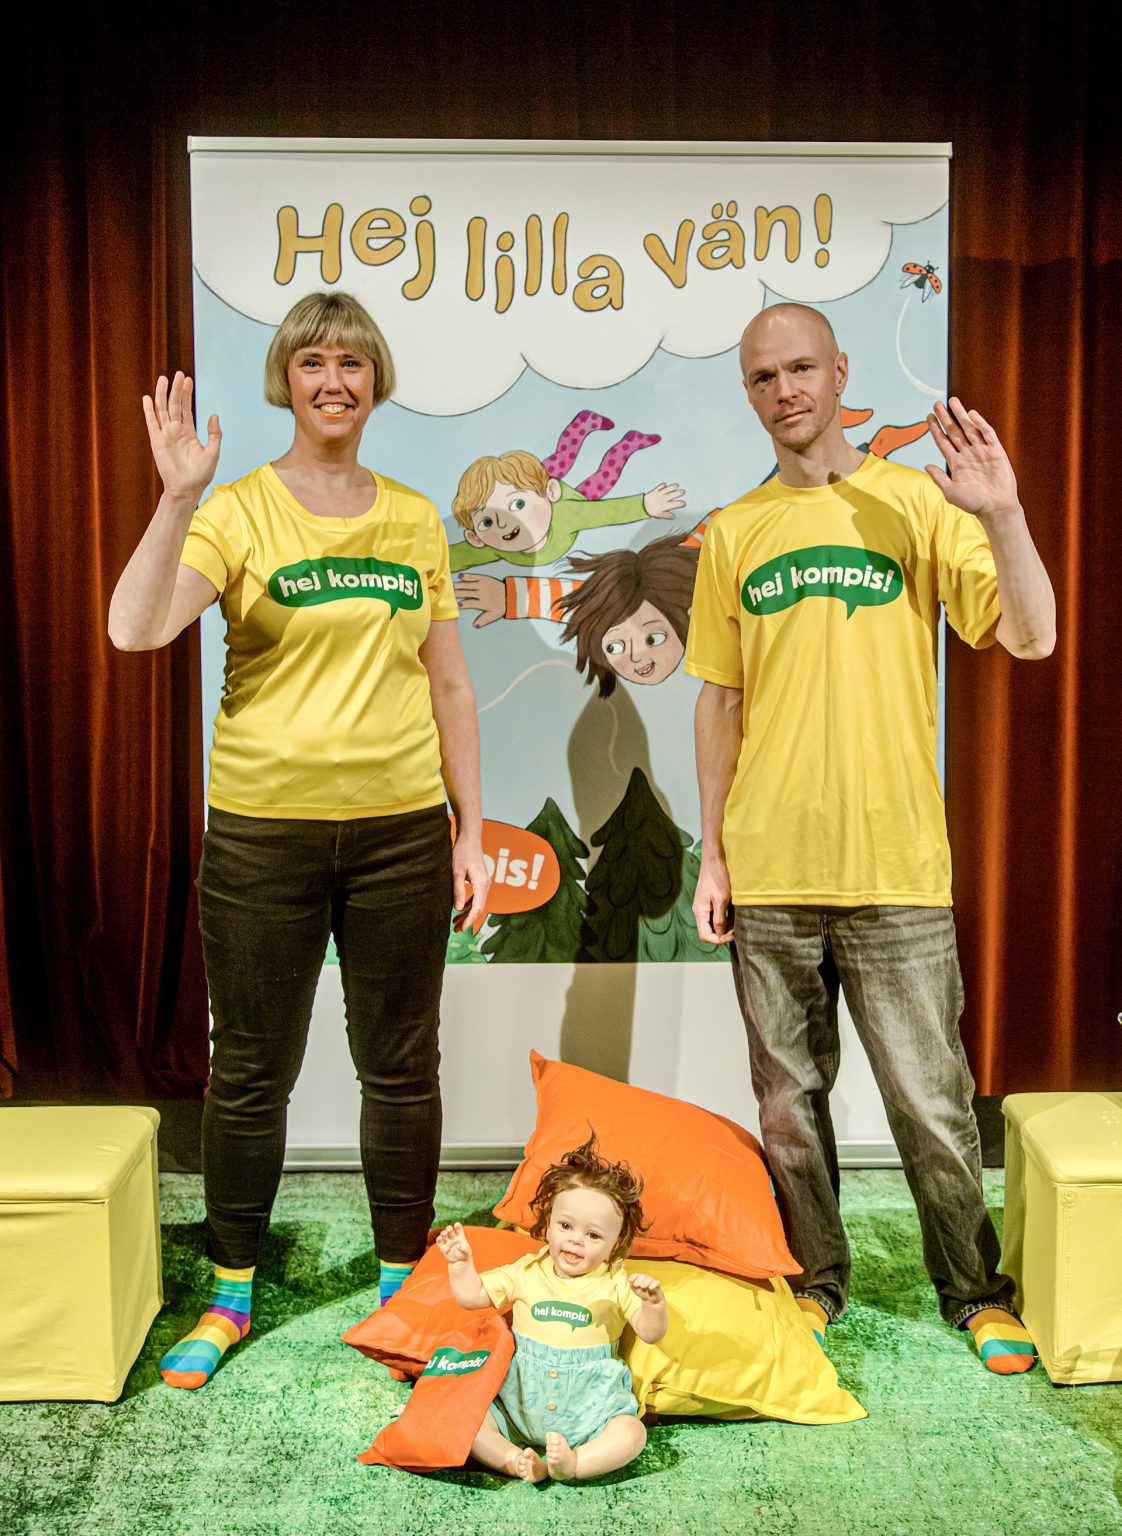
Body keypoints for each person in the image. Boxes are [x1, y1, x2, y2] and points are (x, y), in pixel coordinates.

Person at [108, 291, 489, 1389]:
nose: (334, 381)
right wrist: (178, 498)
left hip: (400, 835)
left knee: (401, 1069)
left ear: (376, 382)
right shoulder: (234, 511)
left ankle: (402, 1286)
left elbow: (449, 684)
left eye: (353, 363)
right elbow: (136, 628)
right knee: (250, 1073)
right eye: (314, 362)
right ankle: (231, 1291)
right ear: (286, 378)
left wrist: (469, 829)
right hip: (262, 836)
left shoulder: (414, 517)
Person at [686, 302, 1055, 1373]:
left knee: (932, 1106)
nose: (785, 390)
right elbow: (719, 701)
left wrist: (1005, 513)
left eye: (802, 367)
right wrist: (714, 853)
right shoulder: (735, 531)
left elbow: (1032, 635)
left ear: (840, 371)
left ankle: (974, 1292)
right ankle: (815, 1279)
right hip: (771, 869)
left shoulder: (918, 503)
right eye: (764, 377)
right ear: (749, 393)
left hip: (897, 868)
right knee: (787, 1107)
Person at [436, 1135, 668, 1481]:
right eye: (566, 1226)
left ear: (616, 1244)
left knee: (632, 1434)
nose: (575, 1239)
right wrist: (460, 1265)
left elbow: (650, 1333)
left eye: (593, 1235)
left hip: (591, 1407)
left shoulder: (616, 1282)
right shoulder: (526, 1271)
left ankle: (576, 1463)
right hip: (518, 1402)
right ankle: (515, 1461)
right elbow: (473, 1297)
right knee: (465, 1417)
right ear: (547, 1225)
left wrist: (653, 1304)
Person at [454, 533, 699, 692]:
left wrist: (511, 597)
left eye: (654, 638)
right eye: (614, 647)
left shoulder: (702, 580)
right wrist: (509, 596)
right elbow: (586, 605)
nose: (637, 657)